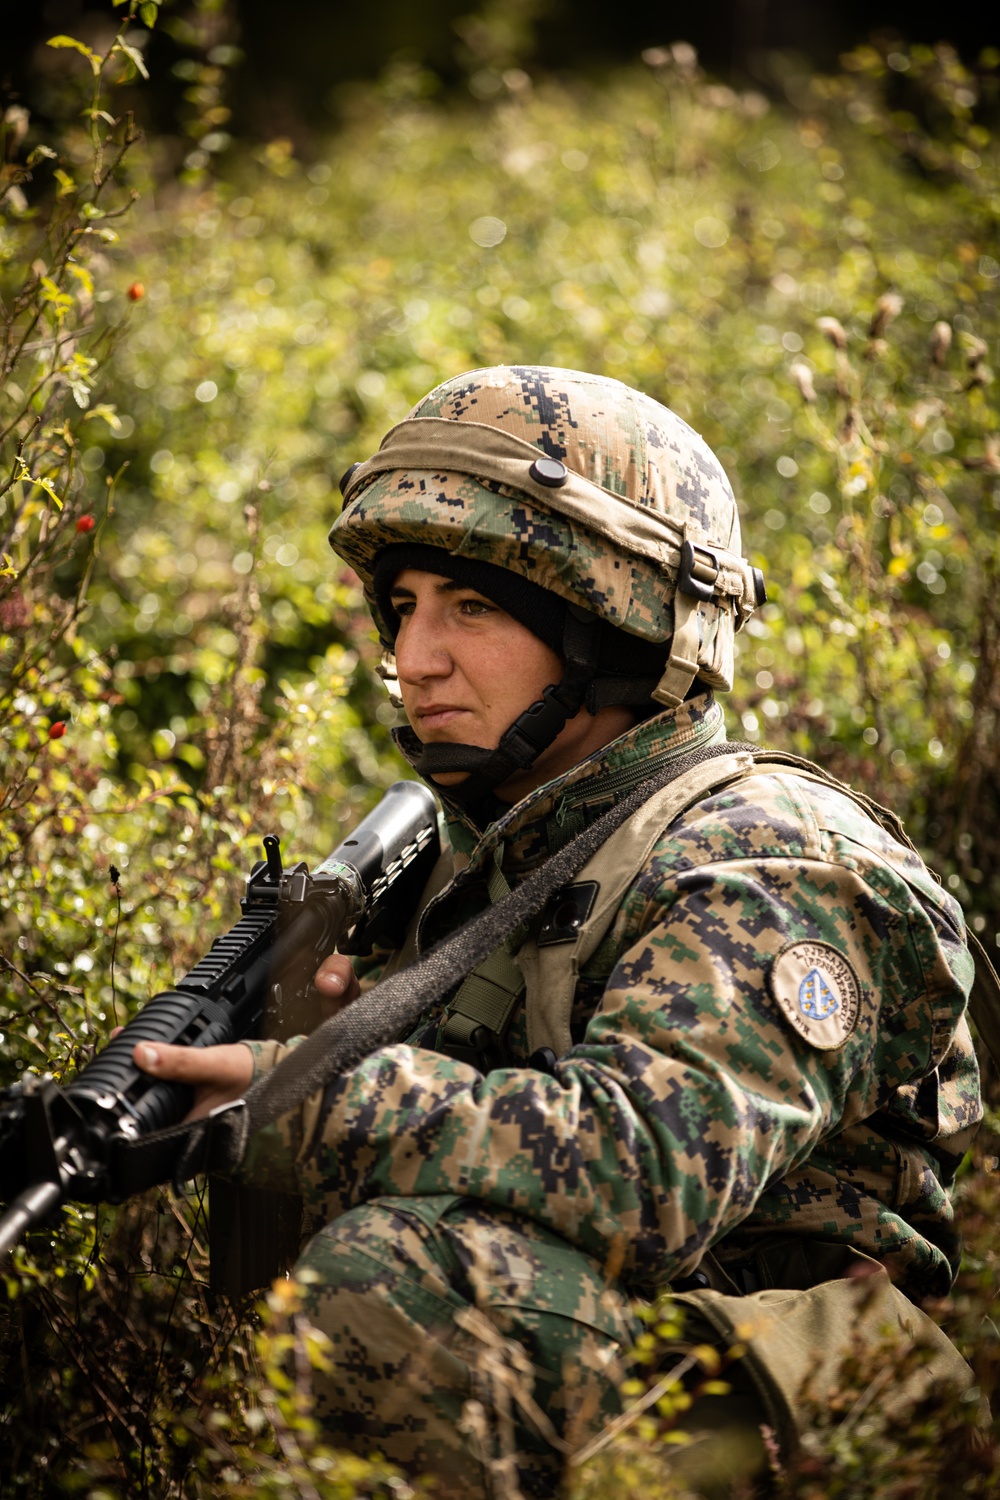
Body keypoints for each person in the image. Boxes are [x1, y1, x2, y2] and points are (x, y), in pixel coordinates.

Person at [132, 366, 983, 1496]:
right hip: (615, 1343)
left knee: (388, 1285)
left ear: (611, 624)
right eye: (404, 609)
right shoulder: (498, 856)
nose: (415, 658)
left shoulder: (766, 855)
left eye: (470, 608)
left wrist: (311, 1095)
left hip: (801, 1403)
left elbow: (643, 1170)